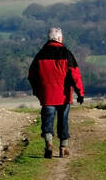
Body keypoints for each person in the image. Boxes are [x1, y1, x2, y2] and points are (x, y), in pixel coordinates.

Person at [27, 27, 84, 158]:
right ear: (59, 38)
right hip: (64, 96)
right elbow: (75, 75)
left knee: (47, 120)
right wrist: (80, 93)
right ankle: (63, 147)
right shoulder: (67, 54)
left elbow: (31, 75)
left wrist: (37, 91)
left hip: (47, 95)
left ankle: (48, 143)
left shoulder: (40, 55)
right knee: (63, 120)